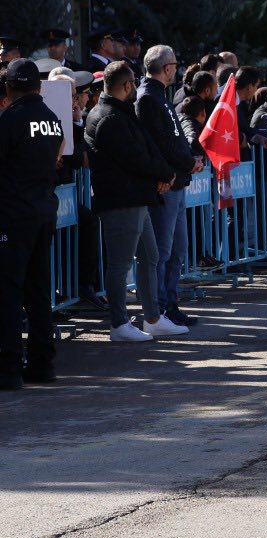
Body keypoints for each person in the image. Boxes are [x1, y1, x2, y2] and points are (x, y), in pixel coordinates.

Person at [84, 61, 182, 343]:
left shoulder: (120, 113)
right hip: (121, 199)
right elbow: (134, 157)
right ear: (126, 86)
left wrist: (164, 175)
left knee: (149, 256)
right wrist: (164, 174)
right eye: (132, 85)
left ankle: (152, 318)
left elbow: (145, 147)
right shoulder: (108, 117)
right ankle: (119, 323)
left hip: (136, 197)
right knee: (120, 263)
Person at [0, 59, 63, 387]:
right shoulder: (52, 119)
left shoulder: (9, 120)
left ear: (9, 88)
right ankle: (42, 363)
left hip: (13, 217)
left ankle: (9, 368)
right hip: (43, 214)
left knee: (9, 292)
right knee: (38, 291)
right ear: (38, 87)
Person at [137, 45, 202, 329]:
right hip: (166, 184)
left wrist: (188, 160)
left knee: (178, 250)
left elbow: (173, 137)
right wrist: (187, 163)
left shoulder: (158, 95)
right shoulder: (149, 97)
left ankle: (170, 305)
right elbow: (160, 143)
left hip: (177, 182)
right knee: (162, 252)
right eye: (175, 64)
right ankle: (159, 309)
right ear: (166, 68)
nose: (177, 69)